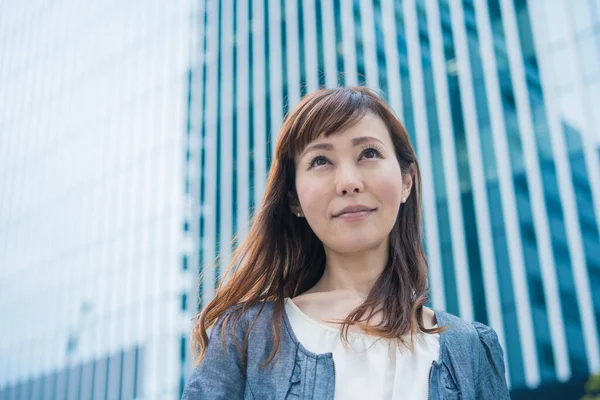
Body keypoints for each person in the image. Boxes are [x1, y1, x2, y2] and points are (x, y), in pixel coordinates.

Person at [182, 87, 510, 399]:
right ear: (294, 199)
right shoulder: (246, 337)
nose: (349, 183)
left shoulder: (471, 349)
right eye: (321, 161)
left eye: (368, 153)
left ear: (406, 181)